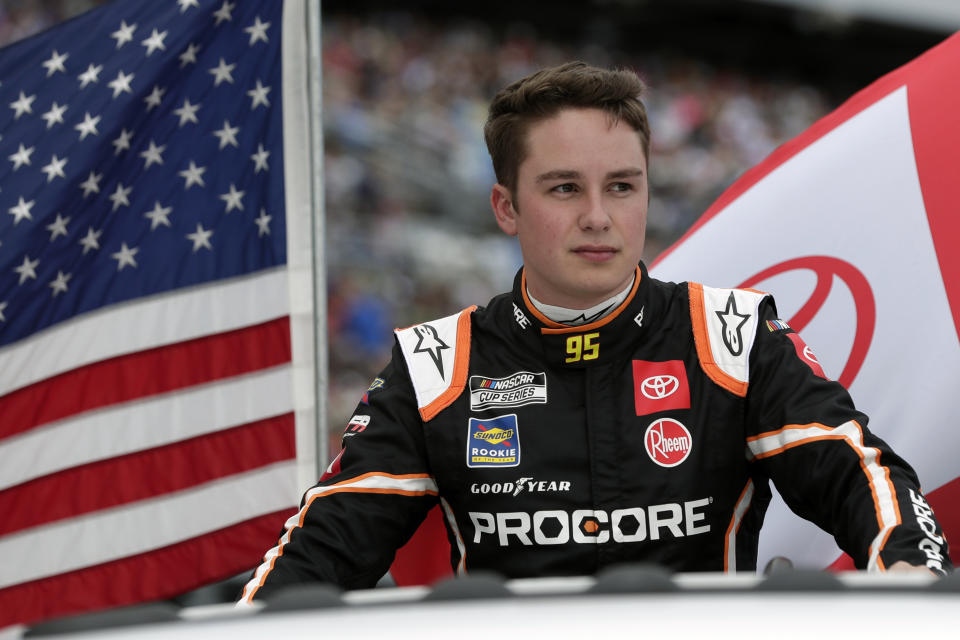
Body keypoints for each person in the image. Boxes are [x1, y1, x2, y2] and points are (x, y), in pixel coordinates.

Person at [239, 62, 950, 602]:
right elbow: (322, 547)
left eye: (621, 185)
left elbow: (860, 474)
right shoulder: (435, 362)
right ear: (505, 207)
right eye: (563, 188)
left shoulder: (730, 333)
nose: (598, 217)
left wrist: (913, 571)